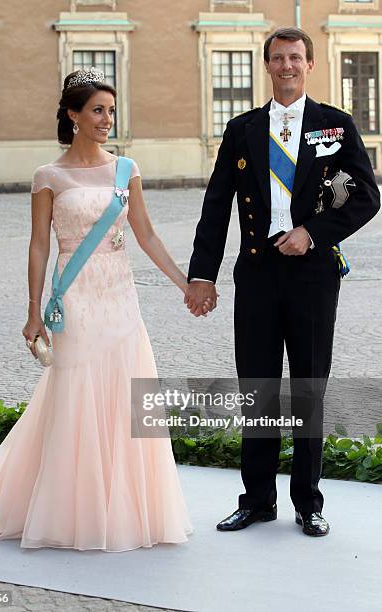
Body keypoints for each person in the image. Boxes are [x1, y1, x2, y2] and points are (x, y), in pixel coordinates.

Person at [0, 67, 193, 552]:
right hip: (74, 299)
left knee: (126, 392)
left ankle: (122, 510)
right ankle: (70, 509)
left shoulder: (127, 169)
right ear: (73, 115)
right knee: (75, 392)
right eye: (97, 110)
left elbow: (146, 234)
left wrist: (185, 284)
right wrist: (33, 311)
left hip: (121, 296)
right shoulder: (48, 176)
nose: (106, 120)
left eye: (111, 111)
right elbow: (39, 246)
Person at [185, 28, 380, 536]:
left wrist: (312, 233)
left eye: (296, 57)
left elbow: (366, 197)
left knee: (309, 386)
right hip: (256, 274)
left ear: (309, 64)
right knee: (259, 388)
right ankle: (256, 499)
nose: (287, 65)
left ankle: (308, 503)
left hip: (312, 274)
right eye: (278, 58)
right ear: (267, 66)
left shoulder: (335, 126)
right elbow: (215, 206)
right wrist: (201, 274)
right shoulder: (243, 128)